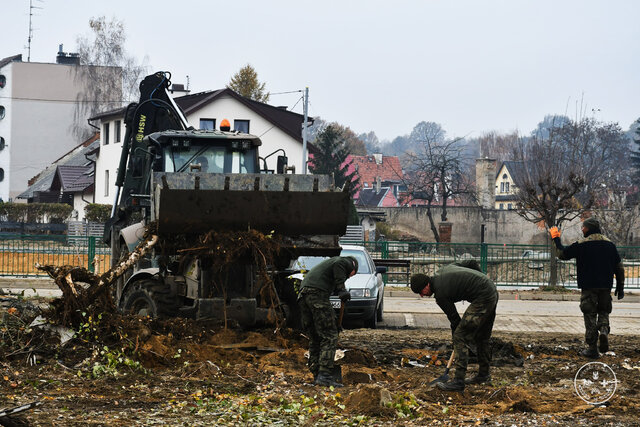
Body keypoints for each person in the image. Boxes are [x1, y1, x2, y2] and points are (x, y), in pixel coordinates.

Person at [410, 261, 498, 392]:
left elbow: (455, 320)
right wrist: (480, 279)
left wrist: (457, 341)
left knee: (460, 336)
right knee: (482, 337)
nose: (422, 295)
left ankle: (458, 381)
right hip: (491, 289)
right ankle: (483, 375)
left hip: (483, 297)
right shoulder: (444, 270)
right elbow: (471, 263)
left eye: (421, 292)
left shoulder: (440, 295)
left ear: (426, 285)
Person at [549, 217, 625, 358]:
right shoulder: (610, 245)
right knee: (603, 311)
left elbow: (562, 254)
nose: (582, 229)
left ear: (588, 228)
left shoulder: (582, 244)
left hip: (588, 286)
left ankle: (592, 348)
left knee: (589, 314)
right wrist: (620, 286)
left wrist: (556, 239)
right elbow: (619, 267)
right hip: (605, 286)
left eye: (583, 227)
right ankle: (603, 330)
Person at [297, 256, 357, 387]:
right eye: (352, 274)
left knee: (316, 337)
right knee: (330, 336)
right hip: (316, 294)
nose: (350, 277)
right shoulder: (344, 262)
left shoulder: (328, 269)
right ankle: (324, 376)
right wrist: (342, 289)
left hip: (303, 296)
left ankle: (316, 373)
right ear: (353, 267)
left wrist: (336, 323)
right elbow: (339, 267)